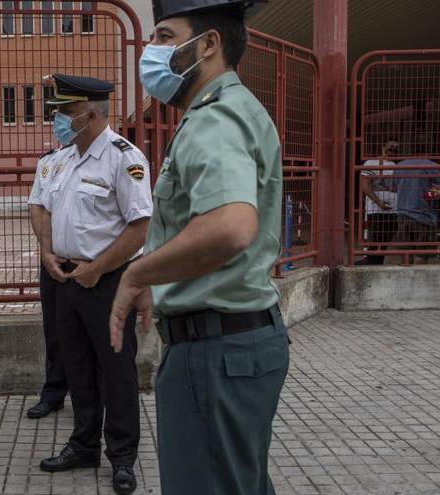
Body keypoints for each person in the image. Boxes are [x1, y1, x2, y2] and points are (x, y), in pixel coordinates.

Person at [109, 1, 288, 493]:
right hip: (236, 346)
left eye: (165, 37)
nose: (153, 51)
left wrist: (138, 273)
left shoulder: (213, 119)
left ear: (208, 44)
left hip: (214, 353)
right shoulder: (235, 109)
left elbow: (230, 227)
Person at [37, 73, 152, 495]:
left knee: (116, 370)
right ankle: (83, 444)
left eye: (64, 113)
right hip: (66, 278)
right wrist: (49, 254)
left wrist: (98, 268)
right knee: (79, 367)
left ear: (88, 114)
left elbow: (139, 228)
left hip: (107, 281)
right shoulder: (65, 158)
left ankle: (122, 457)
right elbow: (47, 211)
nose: (59, 120)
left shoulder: (125, 158)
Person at [25, 143, 69, 419]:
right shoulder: (49, 162)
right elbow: (37, 207)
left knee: (94, 335)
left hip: (95, 263)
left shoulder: (116, 155)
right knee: (55, 329)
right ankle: (54, 392)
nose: (60, 121)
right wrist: (46, 250)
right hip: (53, 259)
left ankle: (97, 397)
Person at [394, 155, 440, 264]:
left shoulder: (400, 165)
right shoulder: (430, 165)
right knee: (422, 254)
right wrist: (430, 193)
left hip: (402, 215)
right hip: (423, 216)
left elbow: (392, 187)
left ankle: (407, 278)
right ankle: (418, 280)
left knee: (406, 254)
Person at [357, 138, 400, 265]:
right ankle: (371, 265)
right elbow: (364, 185)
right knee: (375, 242)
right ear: (383, 146)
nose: (393, 151)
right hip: (376, 211)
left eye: (396, 149)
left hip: (393, 211)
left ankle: (375, 264)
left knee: (385, 242)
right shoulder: (372, 162)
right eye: (390, 148)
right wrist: (378, 202)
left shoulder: (395, 166)